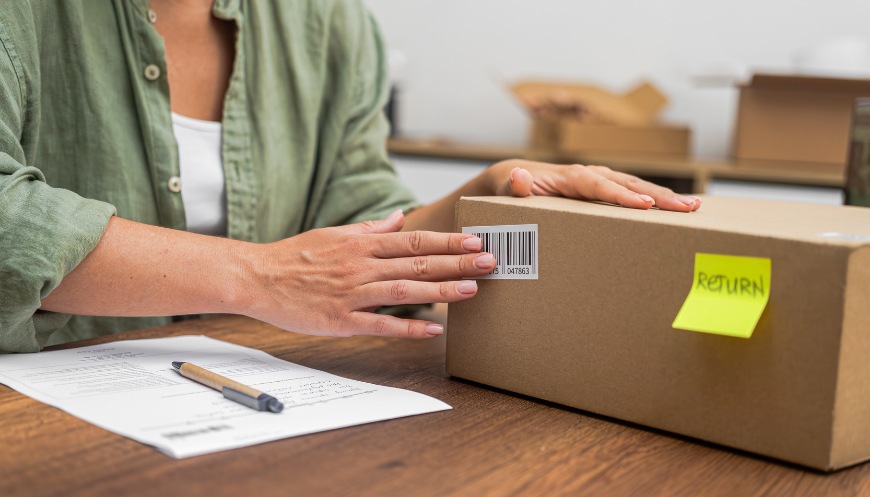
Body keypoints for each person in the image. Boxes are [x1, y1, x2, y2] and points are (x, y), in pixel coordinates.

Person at [0, 0, 700, 353]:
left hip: (253, 402)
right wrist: (259, 275)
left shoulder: (328, 20)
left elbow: (355, 212)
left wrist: (479, 199)